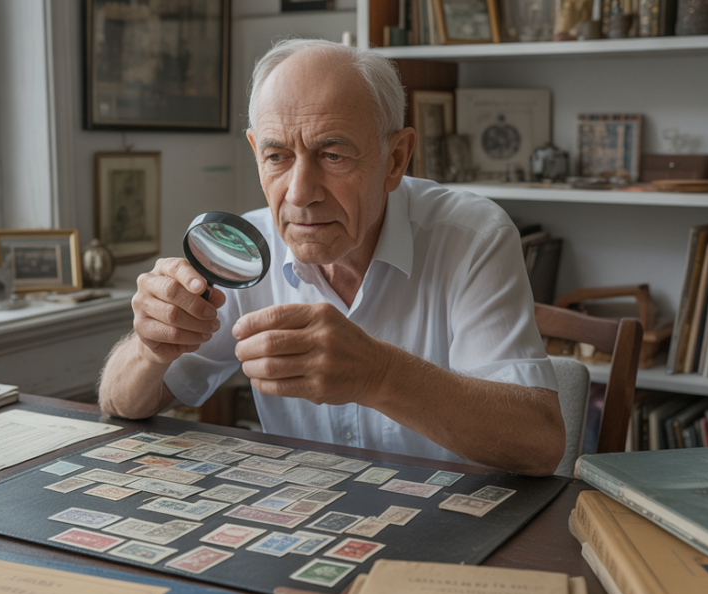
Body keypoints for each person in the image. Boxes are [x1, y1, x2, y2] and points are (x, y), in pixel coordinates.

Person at [98, 39, 564, 476]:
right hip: (298, 516)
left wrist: (379, 374)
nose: (300, 194)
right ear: (256, 152)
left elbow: (540, 444)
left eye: (333, 155)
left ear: (396, 159)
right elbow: (118, 404)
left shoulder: (472, 238)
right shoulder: (241, 251)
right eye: (277, 156)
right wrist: (149, 348)